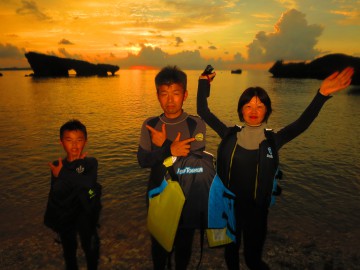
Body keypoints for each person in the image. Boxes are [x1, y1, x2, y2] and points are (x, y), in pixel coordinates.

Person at [197, 67, 354, 270]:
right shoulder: (228, 133)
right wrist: (203, 83)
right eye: (248, 106)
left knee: (253, 260)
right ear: (241, 110)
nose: (254, 111)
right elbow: (203, 111)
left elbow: (301, 124)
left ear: (267, 111)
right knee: (231, 255)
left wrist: (321, 95)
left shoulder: (274, 138)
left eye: (260, 106)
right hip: (229, 209)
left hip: (257, 213)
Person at [137, 66, 207, 270]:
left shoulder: (196, 124)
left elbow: (195, 164)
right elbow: (142, 160)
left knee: (183, 248)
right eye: (164, 94)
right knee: (159, 249)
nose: (170, 100)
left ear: (185, 95)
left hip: (187, 196)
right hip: (157, 194)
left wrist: (165, 146)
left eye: (175, 94)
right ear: (157, 95)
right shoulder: (150, 124)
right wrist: (169, 148)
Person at [45, 119, 101, 270]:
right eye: (69, 140)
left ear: (86, 141)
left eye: (79, 140)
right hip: (66, 214)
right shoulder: (56, 166)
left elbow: (89, 185)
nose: (75, 145)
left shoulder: (91, 163)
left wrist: (64, 174)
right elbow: (56, 193)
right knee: (69, 252)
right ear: (61, 142)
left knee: (90, 249)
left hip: (86, 212)